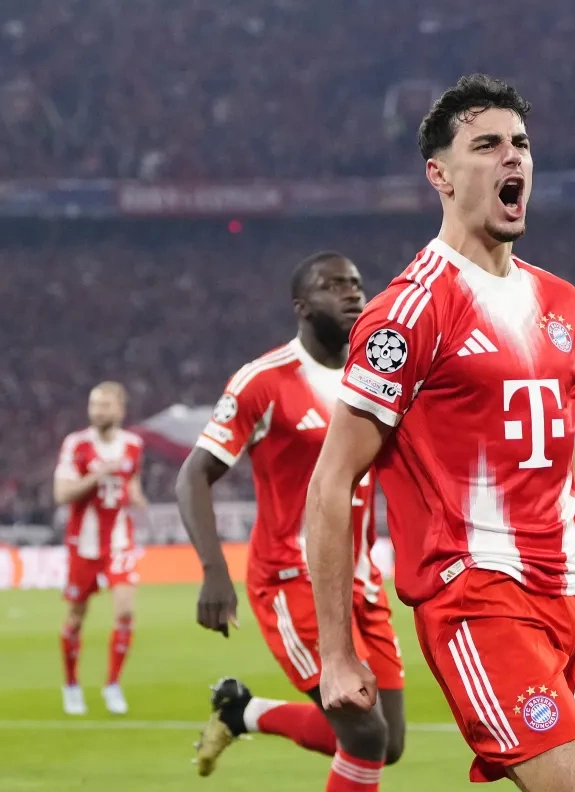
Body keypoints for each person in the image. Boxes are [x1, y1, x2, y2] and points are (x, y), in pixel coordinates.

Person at [304, 74, 575, 792]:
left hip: (574, 602)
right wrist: (335, 653)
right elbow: (331, 483)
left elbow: (565, 471)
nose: (512, 157)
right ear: (439, 174)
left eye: (520, 144)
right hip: (480, 601)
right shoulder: (409, 312)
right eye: (487, 145)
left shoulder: (561, 300)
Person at [177, 252, 410, 787]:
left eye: (356, 283)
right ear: (302, 307)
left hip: (362, 580)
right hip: (292, 576)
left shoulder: (376, 374)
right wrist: (214, 572)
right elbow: (192, 476)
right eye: (334, 285)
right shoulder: (263, 381)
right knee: (365, 734)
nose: (352, 293)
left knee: (388, 742)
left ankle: (241, 712)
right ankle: (243, 713)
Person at [52, 381, 149, 716]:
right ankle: (71, 685)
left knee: (125, 612)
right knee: (76, 617)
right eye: (94, 405)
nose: (98, 411)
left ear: (120, 409)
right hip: (84, 545)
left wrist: (137, 499)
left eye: (105, 405)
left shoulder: (133, 445)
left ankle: (112, 684)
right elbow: (61, 494)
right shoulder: (76, 445)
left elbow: (132, 484)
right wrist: (97, 476)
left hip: (119, 542)